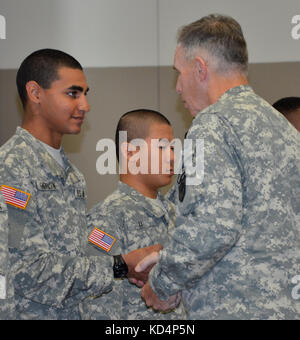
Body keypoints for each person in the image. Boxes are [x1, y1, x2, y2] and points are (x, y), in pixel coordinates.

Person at [136, 14, 300, 319]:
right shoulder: (282, 128)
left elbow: (213, 228)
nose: (177, 87)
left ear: (200, 69)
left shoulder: (213, 125)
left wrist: (161, 284)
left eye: (178, 73)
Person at [0, 49, 160, 319]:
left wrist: (128, 262)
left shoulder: (72, 176)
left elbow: (75, 260)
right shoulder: (11, 168)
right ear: (35, 93)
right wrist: (120, 265)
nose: (85, 105)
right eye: (73, 93)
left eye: (86, 93)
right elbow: (26, 271)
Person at [80, 109, 185, 319]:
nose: (173, 157)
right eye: (163, 147)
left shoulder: (177, 213)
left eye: (173, 148)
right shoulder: (108, 217)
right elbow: (100, 309)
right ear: (130, 152)